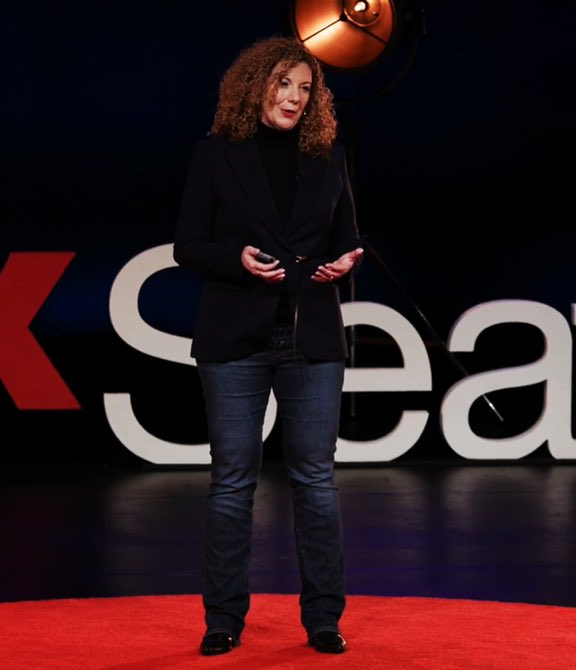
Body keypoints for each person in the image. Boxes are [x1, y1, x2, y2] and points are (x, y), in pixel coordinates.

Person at [173, 36, 364, 656]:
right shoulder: (215, 156)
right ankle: (223, 619)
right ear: (255, 85)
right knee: (232, 481)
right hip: (236, 335)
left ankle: (324, 621)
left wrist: (343, 264)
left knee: (315, 479)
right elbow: (188, 245)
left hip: (310, 333)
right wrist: (238, 260)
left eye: (305, 89)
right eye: (284, 84)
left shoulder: (329, 154)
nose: (294, 97)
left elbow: (346, 240)